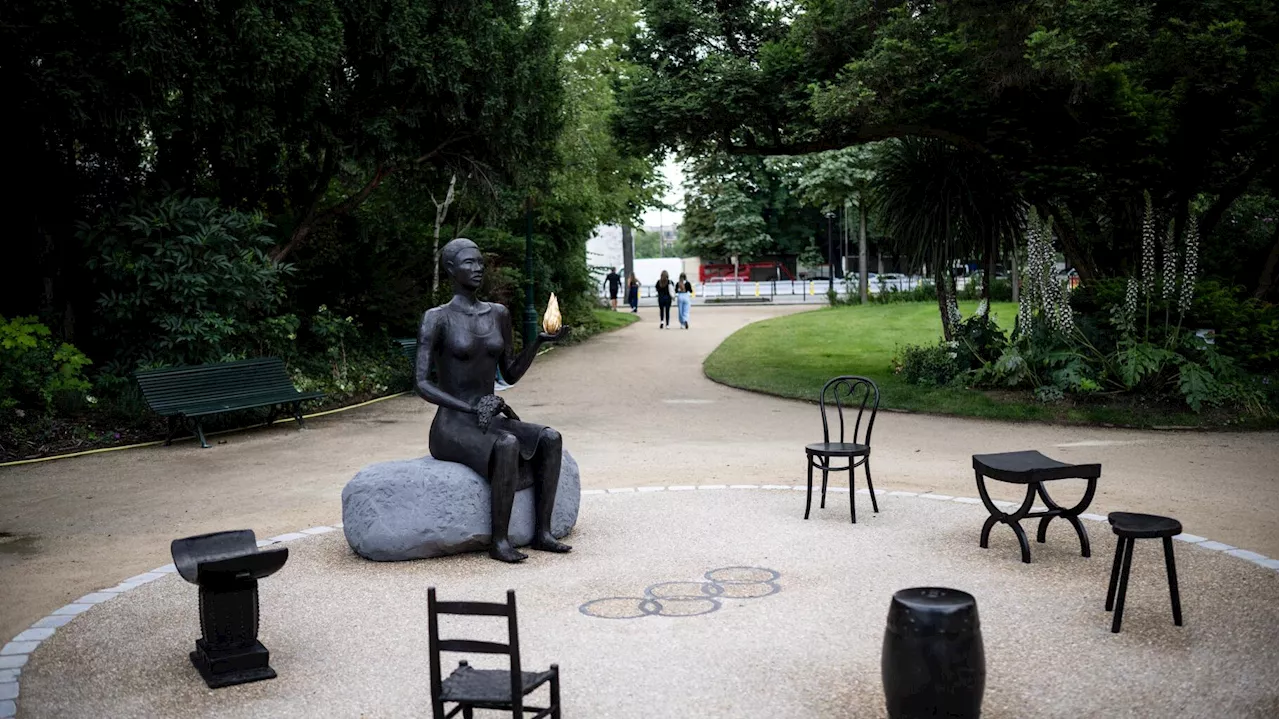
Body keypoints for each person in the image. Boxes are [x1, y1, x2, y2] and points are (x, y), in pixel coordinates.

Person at [415, 238, 572, 563]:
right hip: (453, 424)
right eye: (469, 263)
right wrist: (471, 407)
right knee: (506, 444)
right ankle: (499, 541)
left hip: (491, 417)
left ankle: (542, 533)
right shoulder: (437, 318)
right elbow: (421, 383)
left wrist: (539, 342)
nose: (477, 269)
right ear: (450, 269)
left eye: (480, 263)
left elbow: (510, 373)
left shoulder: (498, 313)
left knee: (550, 438)